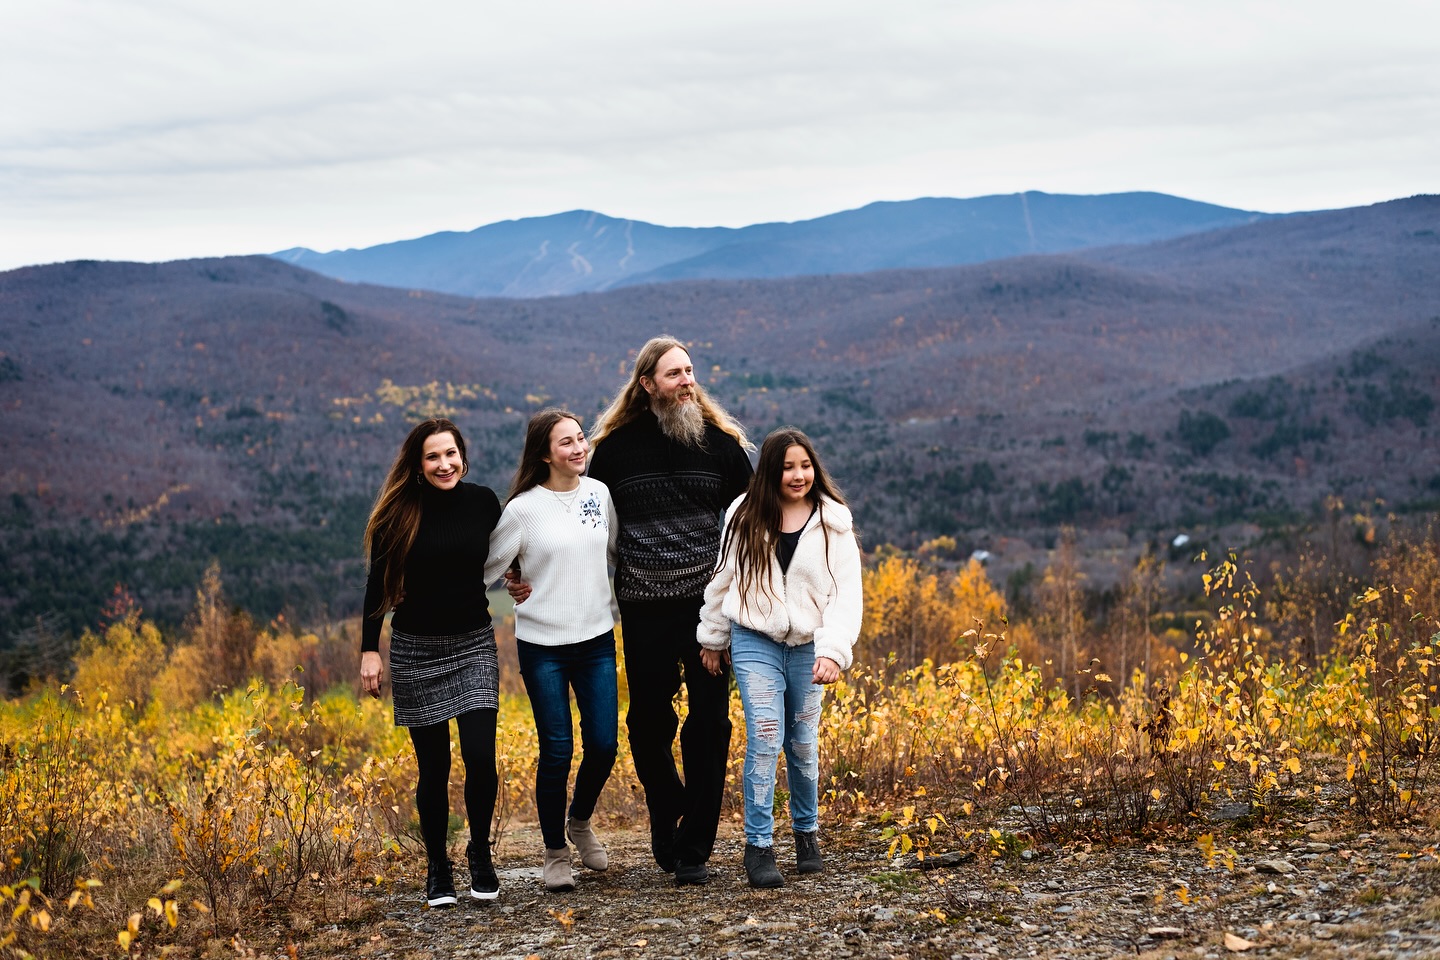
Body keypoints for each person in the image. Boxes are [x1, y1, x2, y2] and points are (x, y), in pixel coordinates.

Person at [513, 336, 752, 885]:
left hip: (710, 611)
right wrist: (520, 569)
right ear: (647, 384)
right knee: (647, 724)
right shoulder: (615, 451)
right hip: (644, 611)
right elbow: (573, 514)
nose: (687, 381)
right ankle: (669, 811)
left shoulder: (719, 446)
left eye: (689, 371)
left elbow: (752, 521)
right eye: (674, 374)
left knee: (710, 723)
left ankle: (693, 848)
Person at [697, 427, 862, 888]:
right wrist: (713, 637)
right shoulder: (744, 514)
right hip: (755, 639)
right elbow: (724, 579)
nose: (798, 475)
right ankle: (759, 846)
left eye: (805, 465)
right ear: (771, 470)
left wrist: (833, 651)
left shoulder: (834, 522)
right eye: (788, 467)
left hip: (810, 644)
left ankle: (807, 835)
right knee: (766, 736)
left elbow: (846, 595)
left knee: (803, 743)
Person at [360, 418, 503, 908]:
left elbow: (507, 551)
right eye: (433, 456)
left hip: (474, 643)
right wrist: (369, 650)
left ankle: (480, 853)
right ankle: (438, 866)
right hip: (416, 649)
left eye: (451, 454)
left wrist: (520, 576)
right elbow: (377, 585)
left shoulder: (483, 502)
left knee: (480, 757)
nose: (445, 464)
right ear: (418, 465)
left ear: (463, 456)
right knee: (434, 766)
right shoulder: (398, 512)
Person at [484, 409, 620, 893]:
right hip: (542, 645)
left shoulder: (599, 494)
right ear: (544, 454)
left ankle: (579, 822)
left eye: (581, 438)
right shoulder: (522, 510)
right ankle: (555, 852)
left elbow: (616, 554)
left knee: (604, 744)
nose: (579, 448)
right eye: (567, 442)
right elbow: (487, 568)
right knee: (557, 749)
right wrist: (508, 578)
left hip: (596, 639)